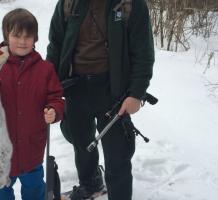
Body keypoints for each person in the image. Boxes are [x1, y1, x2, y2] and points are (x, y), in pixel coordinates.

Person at [47, 0, 155, 199]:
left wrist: (136, 93)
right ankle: (91, 183)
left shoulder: (131, 4)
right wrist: (48, 85)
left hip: (113, 91)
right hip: (76, 87)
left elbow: (143, 52)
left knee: (118, 154)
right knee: (80, 143)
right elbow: (56, 45)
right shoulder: (68, 3)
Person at [0, 8, 64, 200]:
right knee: (0, 194)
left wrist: (54, 110)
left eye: (28, 36)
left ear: (35, 38)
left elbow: (56, 97)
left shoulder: (45, 69)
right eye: (16, 35)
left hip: (32, 151)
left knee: (35, 190)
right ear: (6, 35)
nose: (22, 41)